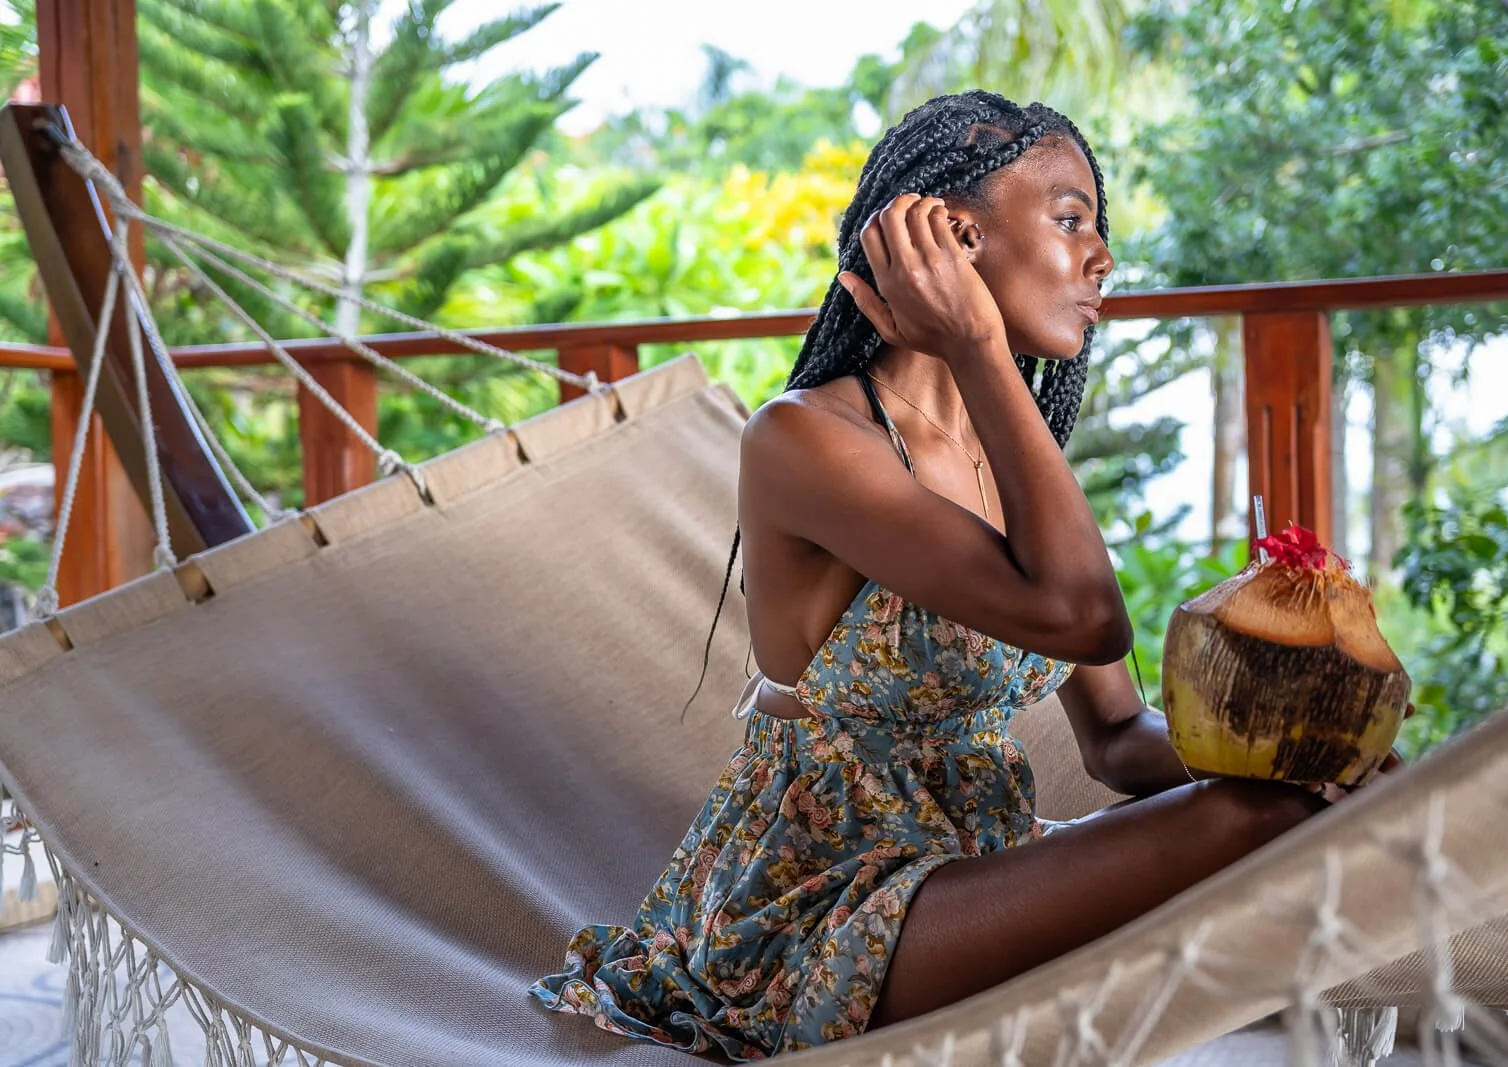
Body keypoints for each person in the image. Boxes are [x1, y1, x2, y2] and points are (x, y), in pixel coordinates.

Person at [531, 89, 1352, 1060]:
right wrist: (972, 343)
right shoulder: (808, 438)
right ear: (952, 236)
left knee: (1289, 806)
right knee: (1254, 820)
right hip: (811, 916)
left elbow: (1119, 738)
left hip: (971, 871)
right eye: (1070, 217)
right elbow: (1081, 617)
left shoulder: (1012, 460)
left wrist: (1313, 765)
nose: (1102, 258)